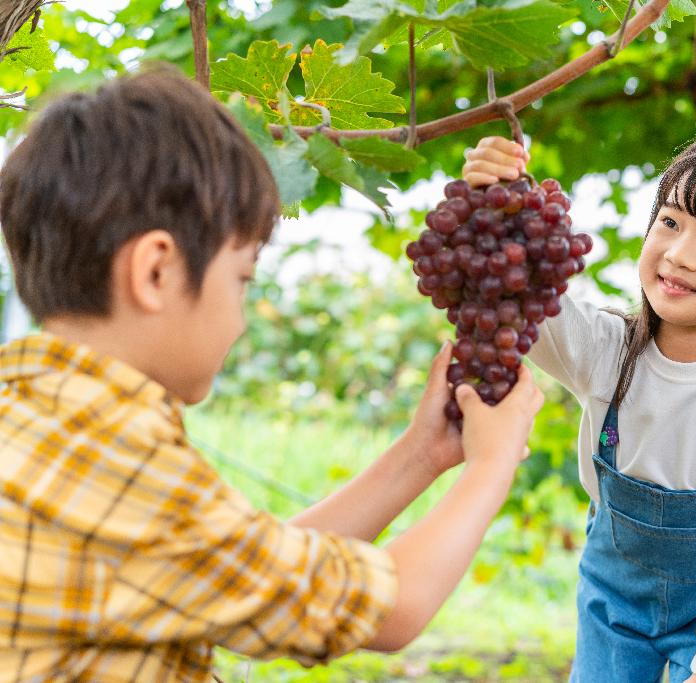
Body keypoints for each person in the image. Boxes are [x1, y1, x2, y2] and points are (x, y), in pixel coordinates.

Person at [0, 69, 544, 682]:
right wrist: (491, 465)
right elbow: (391, 610)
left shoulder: (44, 421)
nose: (240, 320)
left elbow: (241, 567)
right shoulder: (113, 456)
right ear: (155, 272)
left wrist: (420, 456)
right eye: (242, 279)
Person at [463, 134, 696, 682]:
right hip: (613, 594)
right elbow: (511, 298)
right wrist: (490, 204)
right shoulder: (606, 349)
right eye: (670, 222)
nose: (679, 253)